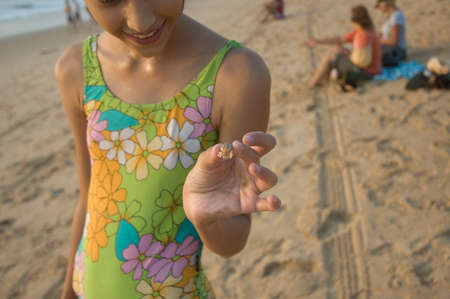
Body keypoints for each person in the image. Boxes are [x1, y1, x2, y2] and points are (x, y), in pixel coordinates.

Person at [55, 1, 281, 298]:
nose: (141, 22)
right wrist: (69, 287)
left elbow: (233, 240)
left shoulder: (236, 75)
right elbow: (89, 194)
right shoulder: (76, 69)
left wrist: (204, 218)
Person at [306, 5, 381, 88]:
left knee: (333, 53)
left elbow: (361, 61)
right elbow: (340, 39)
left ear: (354, 21)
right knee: (335, 49)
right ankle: (319, 80)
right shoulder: (365, 31)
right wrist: (319, 41)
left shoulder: (364, 35)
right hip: (369, 68)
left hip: (367, 72)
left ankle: (313, 82)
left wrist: (345, 52)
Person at [375, 0, 407, 66]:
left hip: (396, 50)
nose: (379, 8)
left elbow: (394, 41)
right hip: (388, 47)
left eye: (379, 5)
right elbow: (383, 33)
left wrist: (379, 41)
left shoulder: (396, 17)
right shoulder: (390, 16)